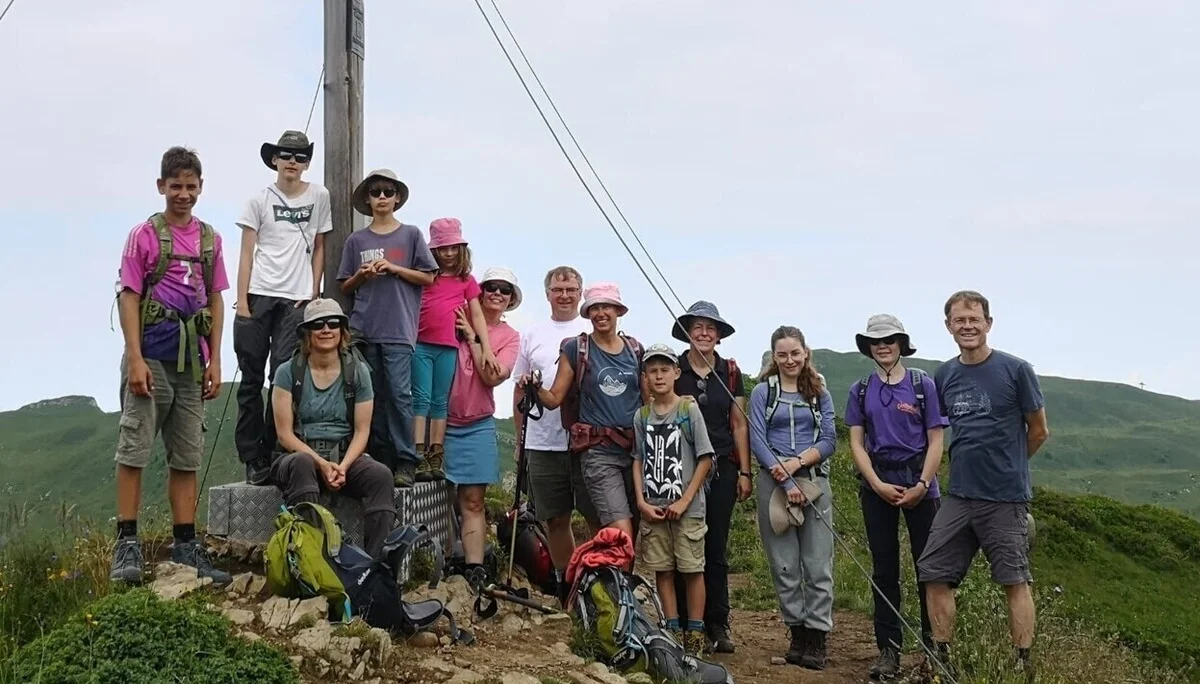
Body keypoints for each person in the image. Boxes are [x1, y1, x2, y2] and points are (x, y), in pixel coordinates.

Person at [110, 146, 232, 587]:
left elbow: (216, 298)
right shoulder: (143, 235)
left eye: (191, 186)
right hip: (152, 355)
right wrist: (135, 358)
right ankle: (126, 542)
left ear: (201, 188)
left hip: (192, 362)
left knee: (187, 454)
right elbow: (129, 295)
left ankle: (185, 543)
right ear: (161, 187)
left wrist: (216, 357)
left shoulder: (210, 240)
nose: (183, 194)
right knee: (135, 445)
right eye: (176, 186)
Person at [917, 290, 1049, 680]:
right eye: (960, 320)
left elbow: (1039, 430)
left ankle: (1020, 666)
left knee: (1014, 579)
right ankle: (942, 659)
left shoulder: (1016, 370)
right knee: (934, 572)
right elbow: (938, 431)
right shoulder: (945, 375)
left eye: (974, 319)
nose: (968, 326)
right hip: (959, 494)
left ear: (988, 324)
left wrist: (1012, 467)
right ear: (948, 327)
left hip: (1005, 498)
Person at [844, 314, 948, 680]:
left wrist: (922, 484)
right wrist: (875, 483)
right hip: (877, 483)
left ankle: (934, 650)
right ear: (868, 347)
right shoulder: (859, 390)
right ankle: (889, 651)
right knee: (884, 569)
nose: (883, 346)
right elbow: (856, 442)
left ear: (901, 343)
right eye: (876, 341)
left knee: (930, 570)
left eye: (889, 339)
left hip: (921, 482)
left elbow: (936, 439)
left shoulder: (923, 385)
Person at [234, 130, 334, 486]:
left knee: (284, 375)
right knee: (249, 378)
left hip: (296, 297)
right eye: (286, 155)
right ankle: (252, 455)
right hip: (259, 293)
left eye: (300, 156)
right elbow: (247, 251)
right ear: (274, 159)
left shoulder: (319, 195)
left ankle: (278, 447)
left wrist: (312, 291)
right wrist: (242, 300)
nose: (293, 162)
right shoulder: (258, 200)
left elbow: (320, 246)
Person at [269, 299, 397, 558]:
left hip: (344, 458)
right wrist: (321, 464)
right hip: (298, 458)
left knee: (381, 476)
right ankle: (311, 559)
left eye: (333, 323)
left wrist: (343, 466)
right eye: (318, 324)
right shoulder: (287, 372)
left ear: (342, 331)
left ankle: (375, 567)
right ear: (307, 332)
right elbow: (284, 434)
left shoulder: (358, 372)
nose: (326, 329)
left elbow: (362, 431)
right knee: (303, 463)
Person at [337, 169, 438, 488]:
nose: (382, 197)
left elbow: (429, 277)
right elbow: (345, 286)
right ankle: (380, 461)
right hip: (364, 328)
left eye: (387, 191)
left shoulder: (410, 235)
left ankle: (406, 460)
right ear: (367, 199)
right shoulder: (357, 240)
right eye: (376, 191)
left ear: (397, 198)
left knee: (398, 395)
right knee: (371, 396)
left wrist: (394, 268)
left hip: (398, 329)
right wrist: (363, 276)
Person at [524, 281, 647, 540]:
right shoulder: (576, 348)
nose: (601, 313)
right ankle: (614, 578)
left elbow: (648, 403)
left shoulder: (635, 350)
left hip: (635, 451)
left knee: (632, 531)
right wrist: (535, 387)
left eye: (607, 307)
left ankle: (618, 580)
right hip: (598, 452)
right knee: (619, 531)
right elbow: (554, 398)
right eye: (595, 308)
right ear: (588, 313)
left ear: (619, 311)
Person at [511, 266, 601, 604]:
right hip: (542, 440)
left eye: (571, 289)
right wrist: (520, 441)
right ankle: (569, 589)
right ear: (547, 293)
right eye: (558, 288)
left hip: (588, 443)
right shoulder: (532, 333)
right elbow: (520, 392)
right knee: (556, 519)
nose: (564, 294)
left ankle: (603, 584)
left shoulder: (592, 331)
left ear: (581, 293)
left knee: (597, 517)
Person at [749, 325, 837, 670]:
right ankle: (797, 633)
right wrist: (786, 481)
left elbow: (830, 440)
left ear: (806, 353)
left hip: (814, 480)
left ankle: (817, 637)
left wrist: (797, 465)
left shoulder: (820, 393)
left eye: (795, 353)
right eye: (782, 355)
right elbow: (757, 439)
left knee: (817, 564)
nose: (789, 360)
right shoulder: (761, 393)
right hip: (774, 483)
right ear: (774, 356)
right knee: (783, 563)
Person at [669, 301, 751, 654]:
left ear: (719, 335)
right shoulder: (672, 369)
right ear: (688, 332)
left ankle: (716, 623)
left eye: (710, 328)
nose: (704, 333)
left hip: (721, 466)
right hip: (680, 468)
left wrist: (745, 471)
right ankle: (683, 623)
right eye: (697, 326)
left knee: (715, 545)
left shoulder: (730, 372)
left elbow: (738, 423)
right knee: (680, 544)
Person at [632, 343, 716, 657]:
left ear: (676, 373)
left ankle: (695, 633)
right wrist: (640, 500)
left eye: (664, 369)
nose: (658, 376)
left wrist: (685, 499)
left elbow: (705, 458)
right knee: (663, 570)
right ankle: (671, 629)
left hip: (688, 508)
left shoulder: (688, 410)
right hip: (653, 506)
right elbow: (638, 459)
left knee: (693, 569)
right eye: (652, 371)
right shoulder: (641, 416)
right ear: (645, 377)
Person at [444, 267, 523, 588]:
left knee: (473, 501)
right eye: (490, 286)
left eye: (505, 289)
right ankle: (444, 557)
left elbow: (492, 376)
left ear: (511, 298)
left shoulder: (510, 337)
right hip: (437, 423)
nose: (497, 293)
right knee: (440, 497)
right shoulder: (455, 314)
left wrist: (475, 339)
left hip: (476, 424)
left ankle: (474, 567)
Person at [413, 218, 498, 482]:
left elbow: (478, 314)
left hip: (448, 346)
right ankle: (416, 453)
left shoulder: (466, 280)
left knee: (440, 401)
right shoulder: (426, 275)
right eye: (442, 248)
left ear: (461, 249)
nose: (448, 253)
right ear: (433, 250)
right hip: (420, 344)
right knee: (420, 399)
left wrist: (487, 349)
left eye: (453, 248)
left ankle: (436, 454)